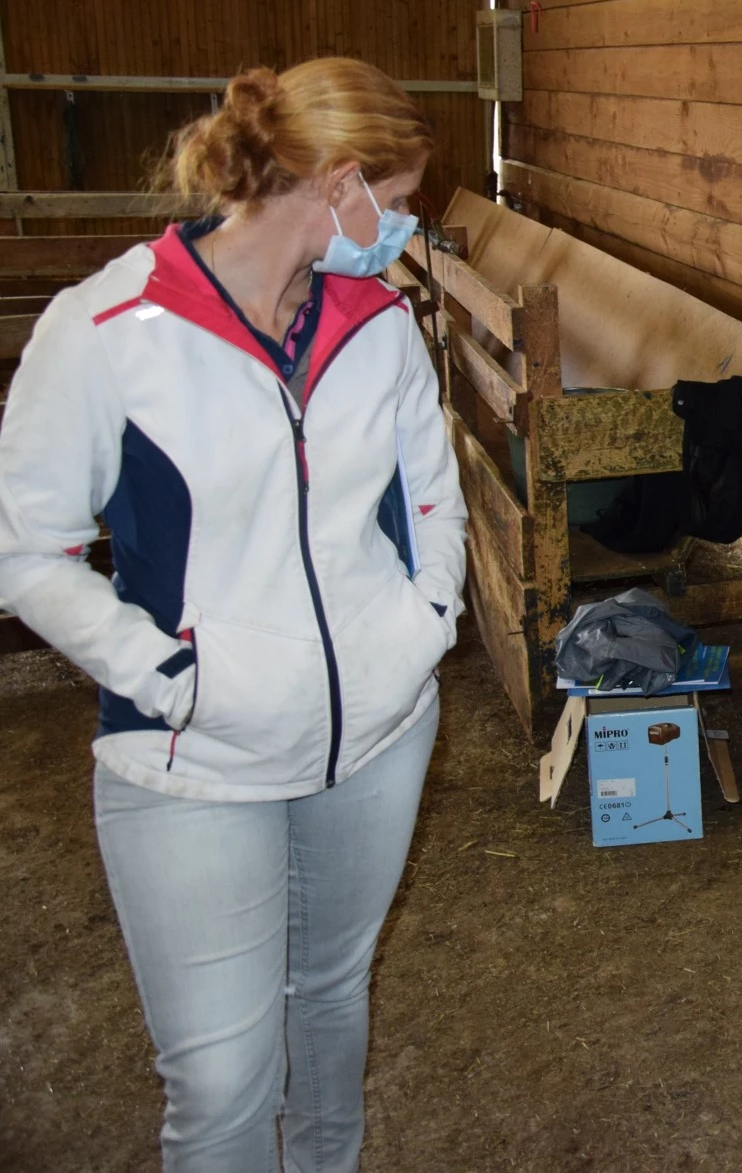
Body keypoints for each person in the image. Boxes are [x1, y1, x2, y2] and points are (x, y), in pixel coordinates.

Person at [0, 58, 468, 1170]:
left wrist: (420, 626)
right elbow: (26, 547)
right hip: (194, 761)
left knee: (330, 998)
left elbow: (432, 495)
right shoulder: (109, 330)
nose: (397, 230)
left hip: (378, 737)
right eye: (395, 204)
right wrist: (169, 677)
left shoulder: (380, 328)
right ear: (339, 183)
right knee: (217, 1079)